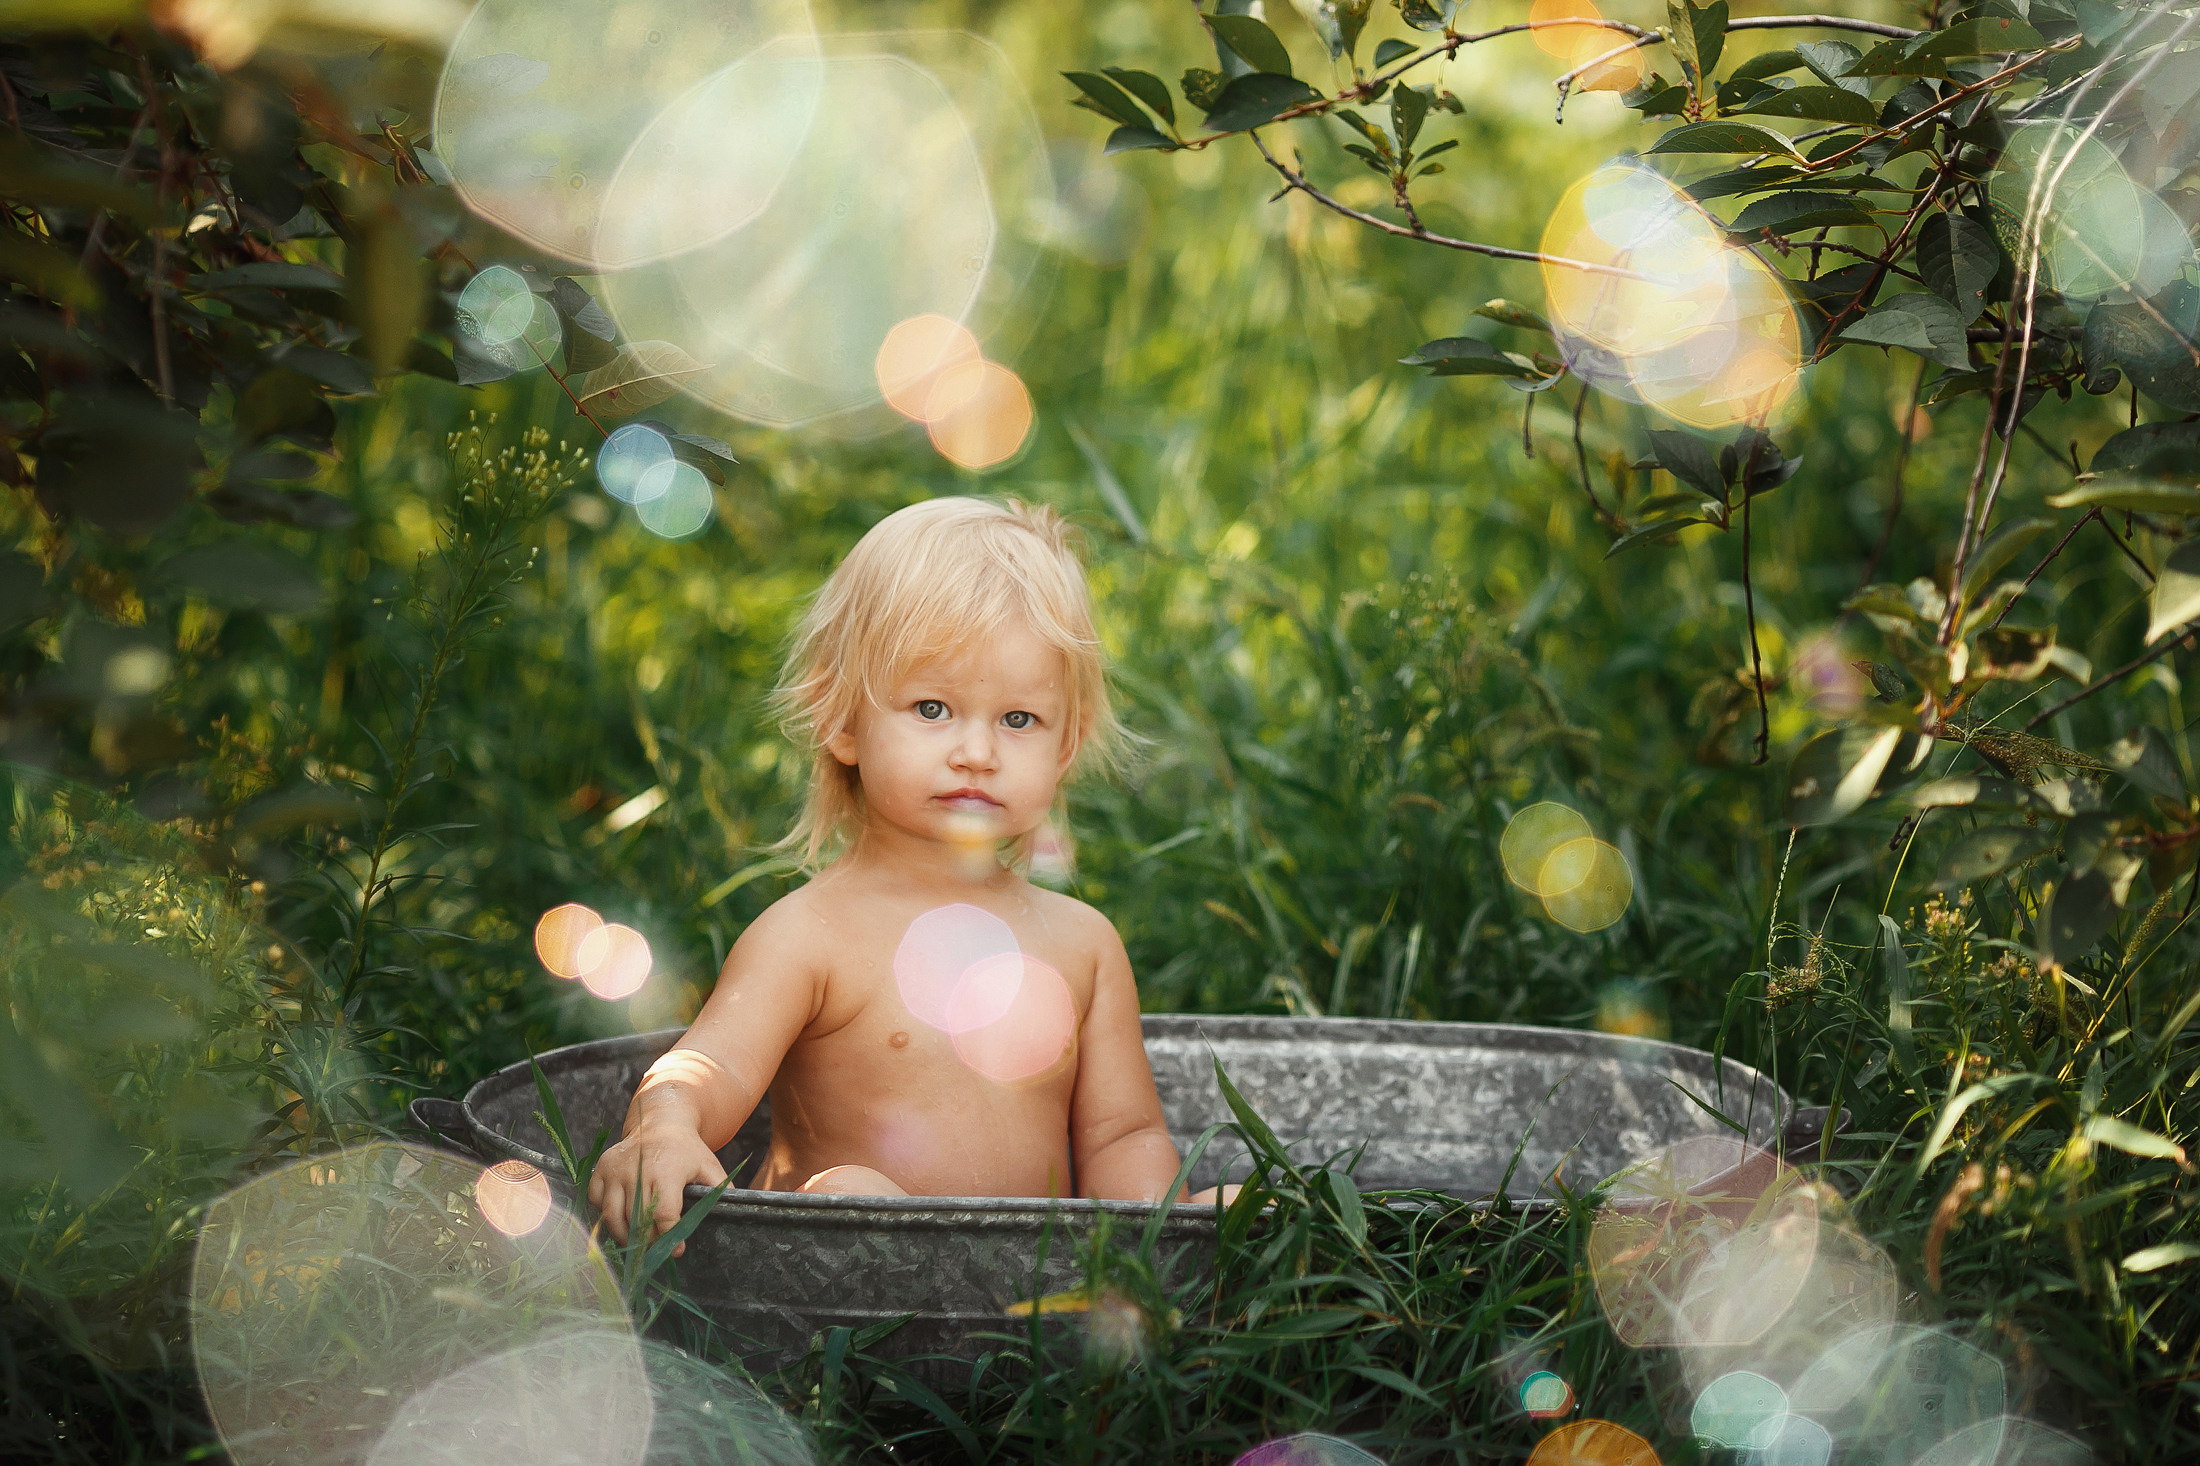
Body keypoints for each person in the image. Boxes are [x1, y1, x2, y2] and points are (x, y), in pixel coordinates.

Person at [588, 496, 1228, 1251]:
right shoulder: (810, 934)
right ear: (841, 719)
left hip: (1030, 1288)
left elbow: (1121, 1134)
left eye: (1018, 720)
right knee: (852, 1194)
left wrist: (1162, 1227)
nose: (977, 753)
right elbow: (710, 1068)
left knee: (1241, 1207)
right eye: (932, 708)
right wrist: (663, 1127)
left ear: (1065, 747)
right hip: (836, 1282)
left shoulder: (1083, 943)